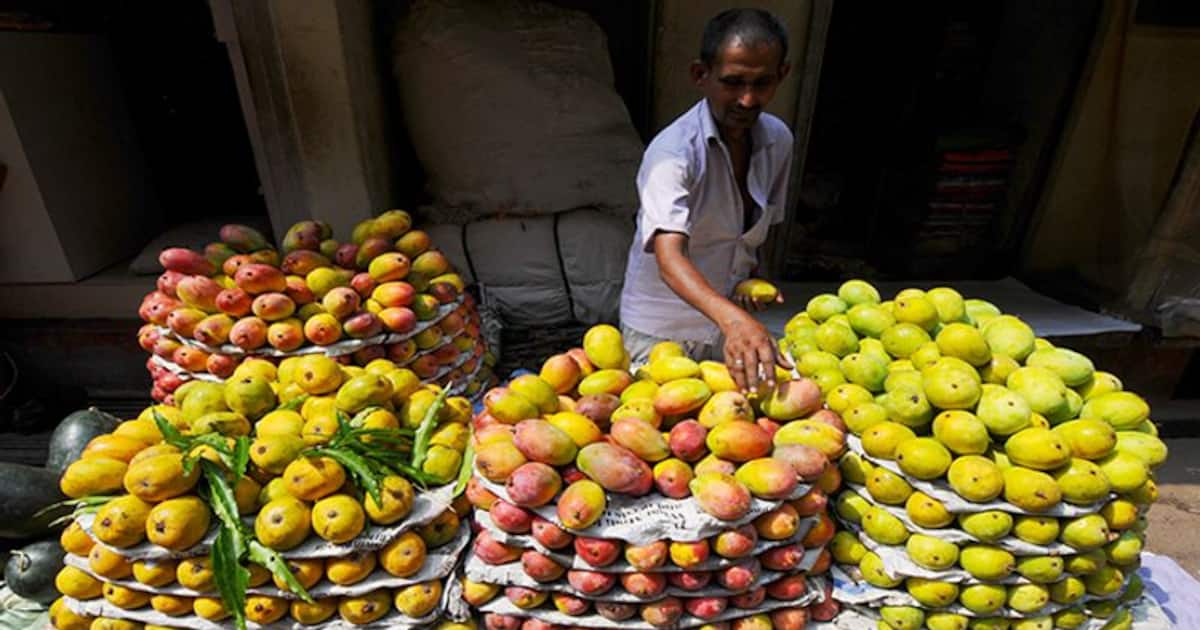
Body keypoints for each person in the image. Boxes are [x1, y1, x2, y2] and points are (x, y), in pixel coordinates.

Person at [620, 8, 794, 392]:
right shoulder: (673, 154)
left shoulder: (778, 140)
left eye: (762, 83)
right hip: (662, 333)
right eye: (733, 83)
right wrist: (734, 320)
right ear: (701, 75)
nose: (747, 99)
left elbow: (763, 228)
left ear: (782, 75)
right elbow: (669, 257)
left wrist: (755, 278)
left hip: (728, 327)